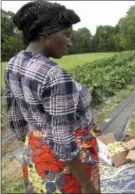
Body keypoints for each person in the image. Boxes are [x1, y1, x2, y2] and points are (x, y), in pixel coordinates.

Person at [4, 0, 101, 193]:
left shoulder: (13, 64)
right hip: (69, 167)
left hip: (36, 155)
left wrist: (38, 142)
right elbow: (63, 142)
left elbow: (16, 119)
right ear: (44, 35)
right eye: (66, 35)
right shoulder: (55, 75)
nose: (70, 42)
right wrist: (86, 184)